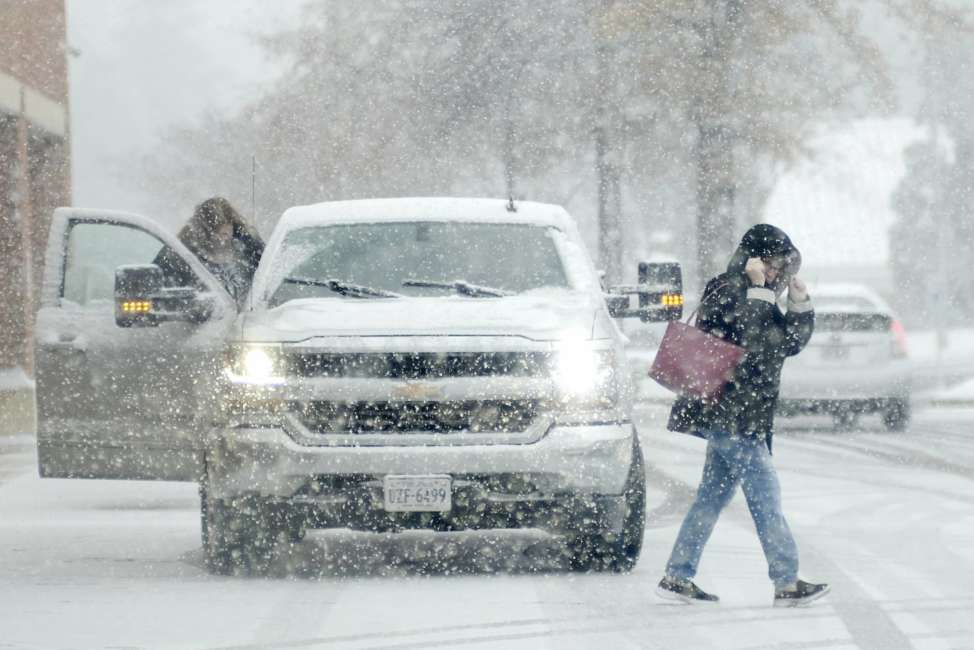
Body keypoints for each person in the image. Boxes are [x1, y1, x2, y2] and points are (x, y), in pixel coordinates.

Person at [656, 224, 830, 608]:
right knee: (766, 498)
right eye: (769, 263)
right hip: (732, 416)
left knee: (710, 498)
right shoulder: (727, 289)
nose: (774, 273)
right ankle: (786, 582)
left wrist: (799, 305)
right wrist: (757, 291)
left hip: (743, 416)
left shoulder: (760, 294)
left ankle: (678, 574)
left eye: (779, 266)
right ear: (750, 258)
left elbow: (784, 345)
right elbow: (752, 343)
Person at [154, 197, 264, 305]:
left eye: (226, 232)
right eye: (214, 231)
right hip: (199, 321)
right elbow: (158, 294)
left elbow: (271, 275)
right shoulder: (179, 255)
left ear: (233, 224)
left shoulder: (250, 248)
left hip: (254, 320)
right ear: (201, 232)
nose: (222, 239)